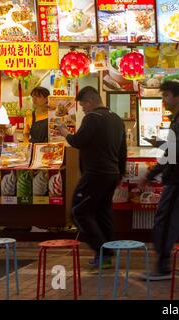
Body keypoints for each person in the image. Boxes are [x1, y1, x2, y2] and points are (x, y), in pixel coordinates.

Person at [57, 86, 127, 269]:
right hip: (111, 174)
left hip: (95, 174)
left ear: (89, 102)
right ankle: (107, 254)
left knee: (78, 211)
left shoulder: (92, 118)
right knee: (102, 213)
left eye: (82, 105)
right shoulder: (116, 119)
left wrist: (64, 132)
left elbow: (78, 141)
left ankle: (102, 251)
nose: (83, 109)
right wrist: (119, 173)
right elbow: (122, 152)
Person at [139, 80, 179, 281]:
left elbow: (176, 153)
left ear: (178, 97)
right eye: (162, 95)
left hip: (178, 178)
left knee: (165, 220)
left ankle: (163, 267)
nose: (163, 100)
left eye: (166, 95)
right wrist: (161, 143)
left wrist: (151, 174)